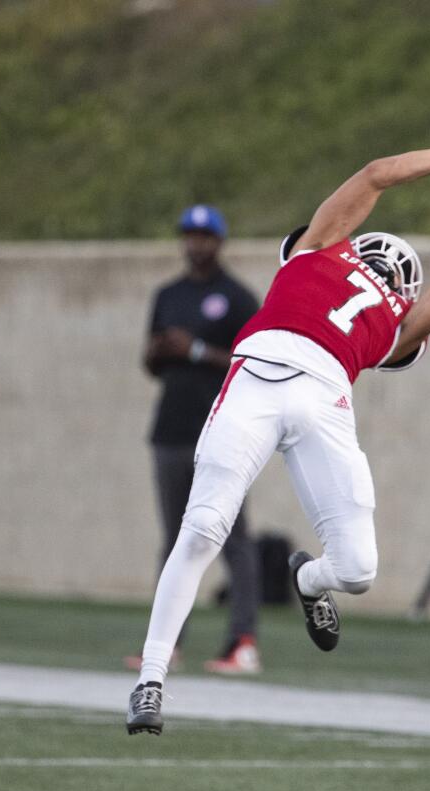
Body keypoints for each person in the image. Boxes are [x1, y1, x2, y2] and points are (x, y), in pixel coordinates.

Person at [127, 117, 430, 734]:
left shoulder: (397, 325)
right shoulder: (317, 249)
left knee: (357, 569)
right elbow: (377, 175)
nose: (388, 264)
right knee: (203, 529)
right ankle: (150, 679)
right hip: (256, 375)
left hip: (325, 399)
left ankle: (308, 579)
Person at [131, 204, 263, 675]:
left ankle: (242, 642)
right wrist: (158, 352)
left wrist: (199, 350)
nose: (196, 243)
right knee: (174, 538)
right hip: (171, 428)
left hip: (222, 432)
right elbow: (151, 364)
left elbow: (255, 364)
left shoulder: (238, 298)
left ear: (220, 242)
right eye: (189, 234)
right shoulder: (168, 295)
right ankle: (167, 645)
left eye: (205, 236)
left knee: (233, 539)